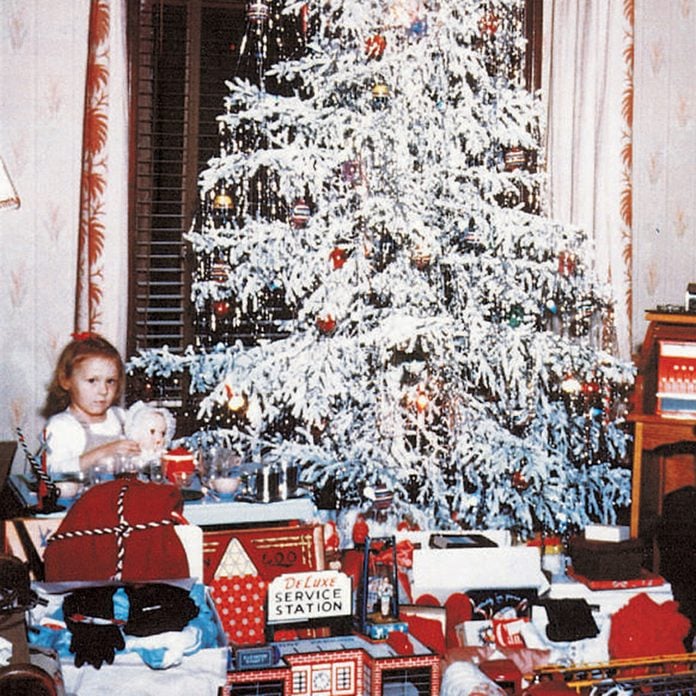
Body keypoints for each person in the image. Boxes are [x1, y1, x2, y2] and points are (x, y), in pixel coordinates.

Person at [42, 333, 141, 476]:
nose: (103, 390)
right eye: (92, 380)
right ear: (66, 380)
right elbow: (53, 471)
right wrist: (105, 451)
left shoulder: (121, 417)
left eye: (110, 381)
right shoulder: (62, 426)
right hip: (81, 497)